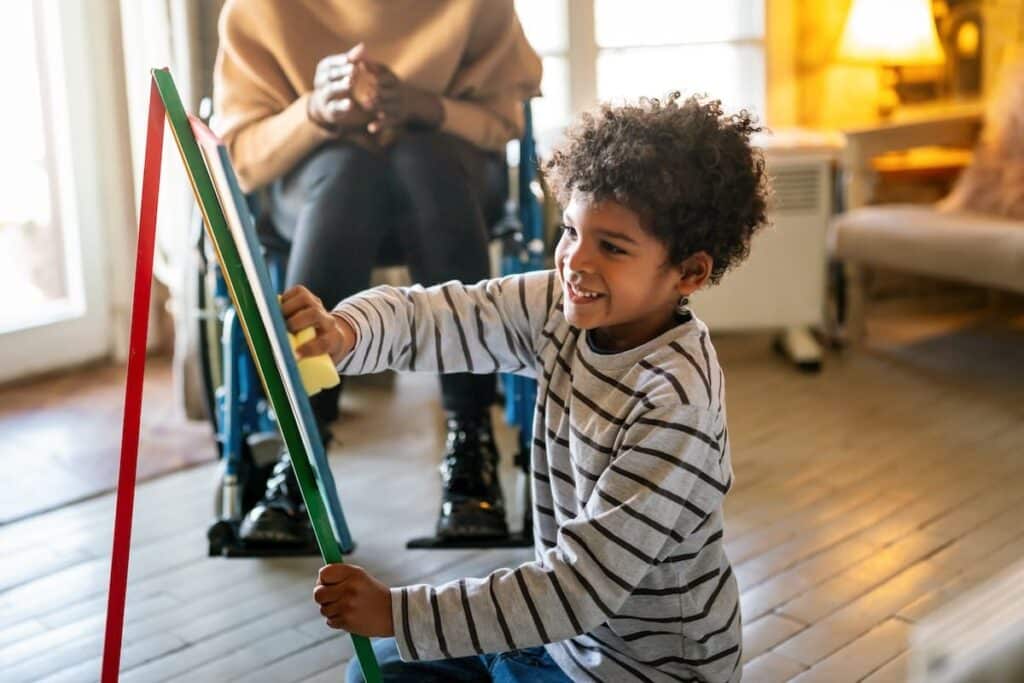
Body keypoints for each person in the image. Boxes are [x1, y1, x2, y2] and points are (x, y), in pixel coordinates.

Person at [289, 93, 769, 682]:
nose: (575, 262)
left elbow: (577, 586)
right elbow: (436, 317)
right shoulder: (557, 306)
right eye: (572, 230)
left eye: (612, 247)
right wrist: (343, 332)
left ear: (690, 273)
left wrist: (398, 612)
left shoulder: (676, 406)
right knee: (376, 675)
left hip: (641, 673)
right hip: (558, 637)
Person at [213, 0, 542, 547]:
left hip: (445, 176)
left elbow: (504, 120)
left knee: (421, 159)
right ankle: (302, 445)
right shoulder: (258, 9)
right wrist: (314, 111)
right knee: (348, 173)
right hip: (321, 184)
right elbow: (243, 159)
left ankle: (471, 442)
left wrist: (424, 106)